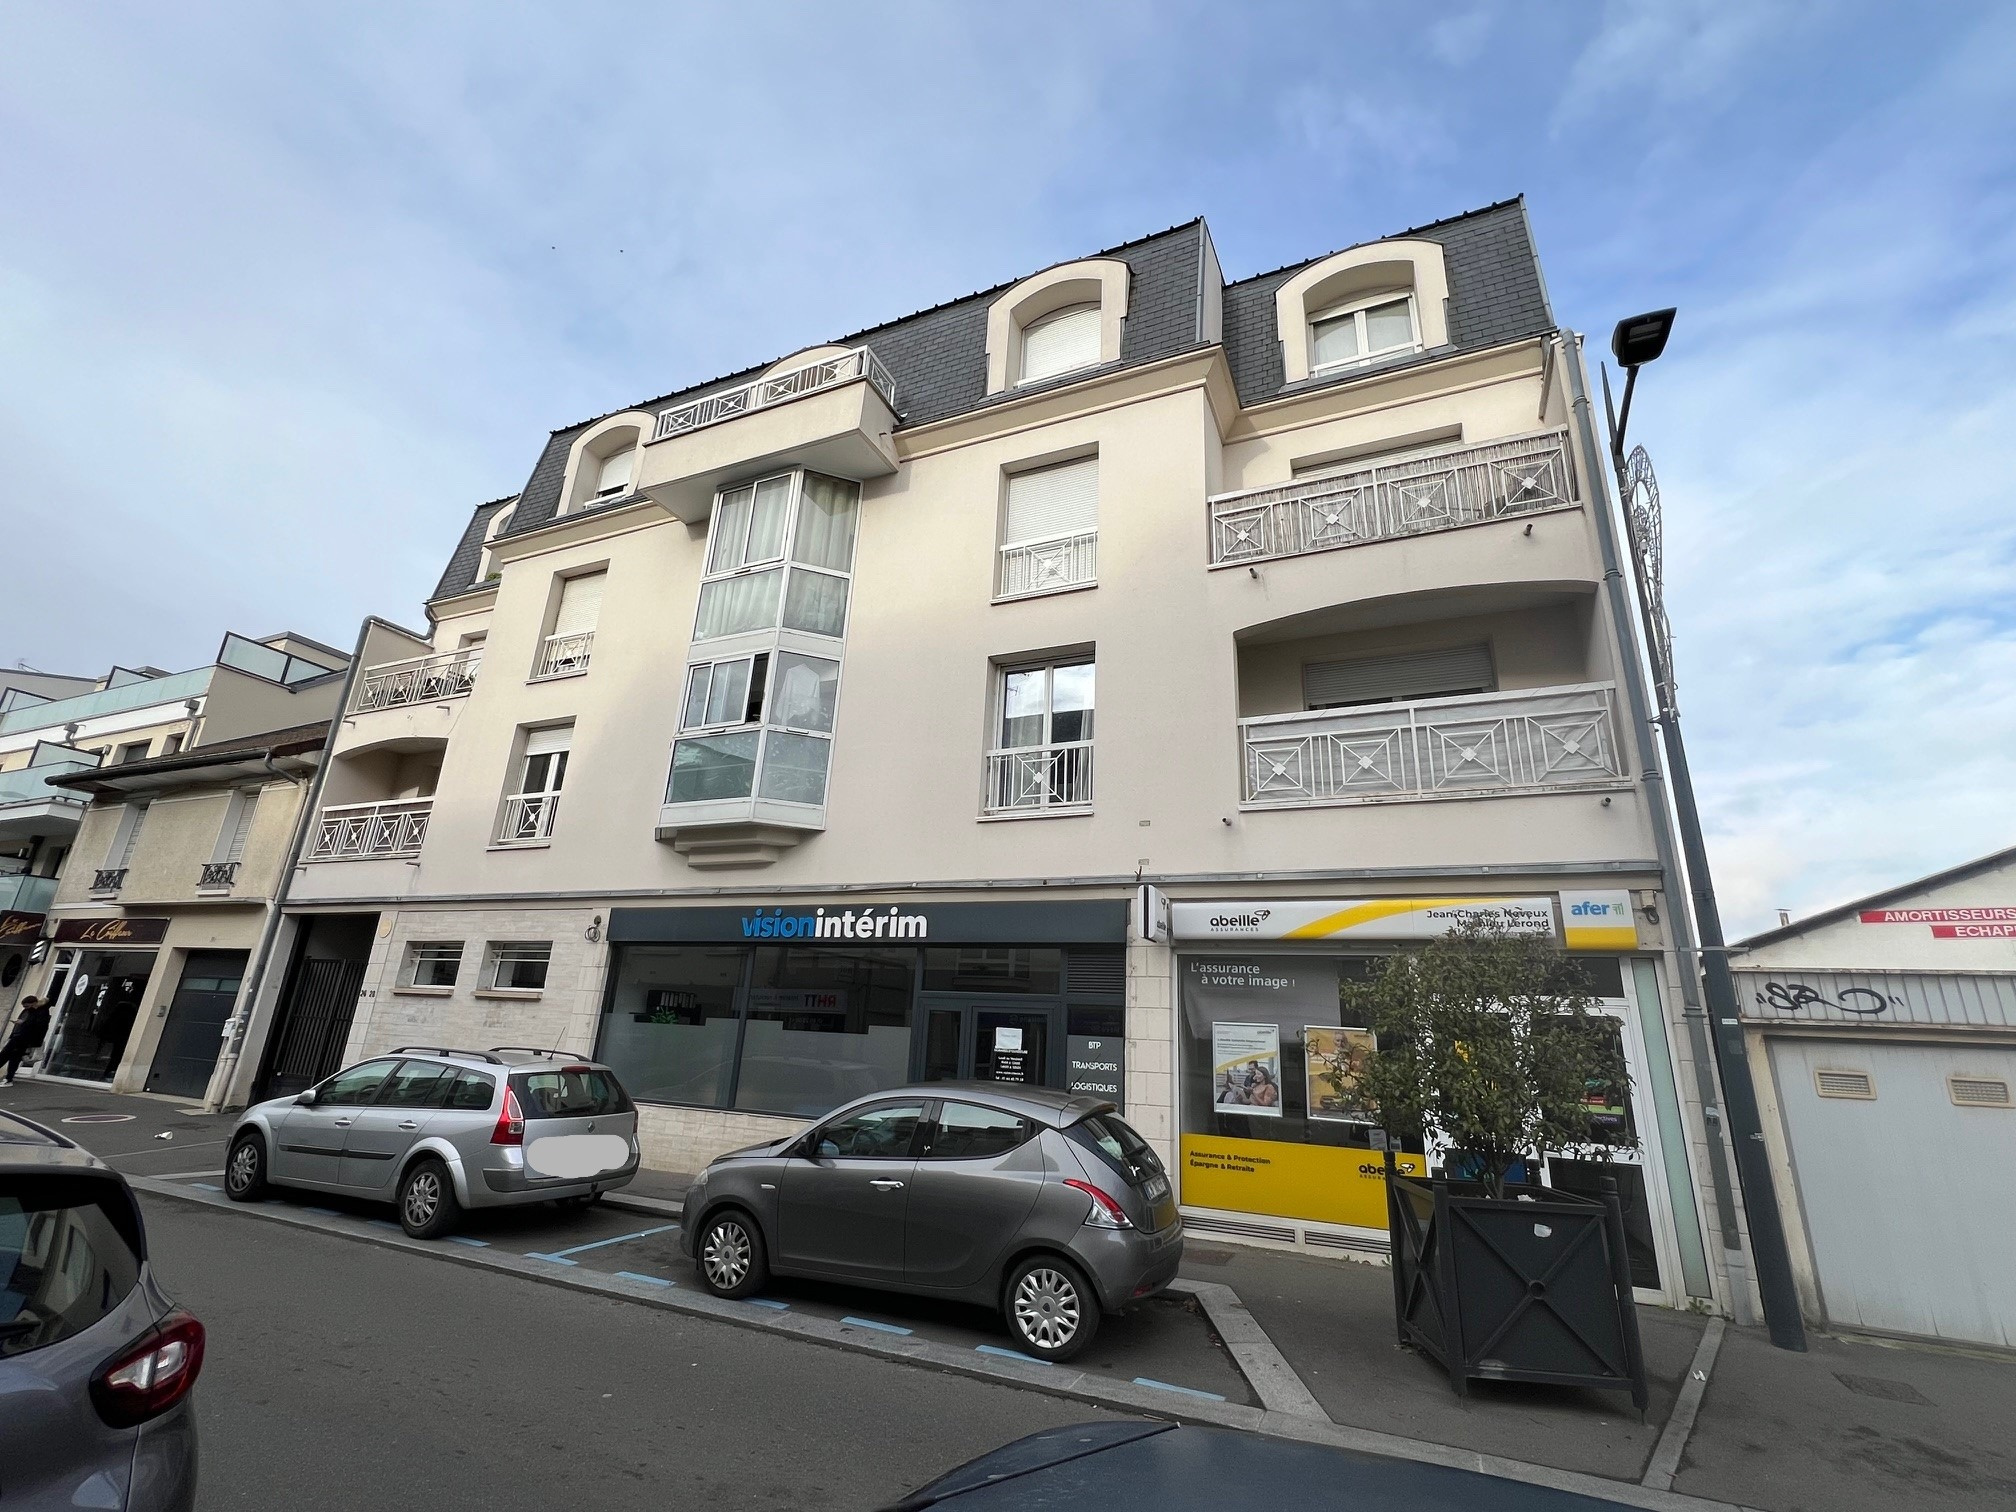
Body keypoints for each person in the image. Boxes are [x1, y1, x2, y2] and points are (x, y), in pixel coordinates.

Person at [1, 995, 51, 1085]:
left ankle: (9, 1079)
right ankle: (9, 1079)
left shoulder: (42, 1012)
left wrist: (23, 1022)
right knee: (12, 1057)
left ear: (34, 1003)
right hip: (19, 1036)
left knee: (7, 1055)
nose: (25, 1008)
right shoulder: (29, 1010)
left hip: (25, 1038)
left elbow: (39, 1026)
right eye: (24, 1006)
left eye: (27, 1006)